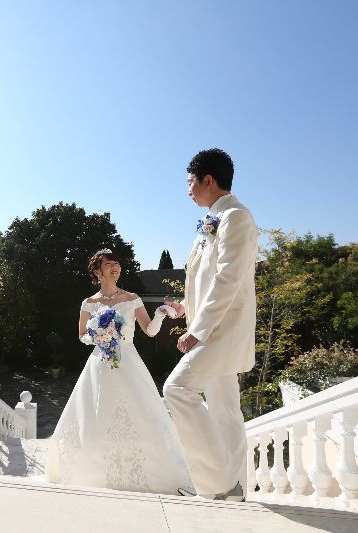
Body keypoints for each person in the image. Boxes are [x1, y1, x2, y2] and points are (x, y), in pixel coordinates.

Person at [45, 249, 192, 494]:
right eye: (109, 264)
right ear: (97, 272)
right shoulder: (89, 303)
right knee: (96, 414)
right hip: (99, 362)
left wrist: (160, 314)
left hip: (129, 362)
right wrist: (99, 336)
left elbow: (150, 331)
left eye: (117, 263)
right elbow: (82, 335)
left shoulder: (132, 298)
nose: (115, 267)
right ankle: (92, 471)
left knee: (139, 413)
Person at [162, 148, 257, 502]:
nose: (188, 189)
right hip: (210, 325)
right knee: (225, 413)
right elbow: (206, 279)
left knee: (176, 390)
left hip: (222, 331)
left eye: (191, 181)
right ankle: (235, 489)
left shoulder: (236, 217)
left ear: (208, 180)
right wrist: (184, 308)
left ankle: (217, 483)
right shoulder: (211, 221)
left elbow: (228, 280)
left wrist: (197, 330)